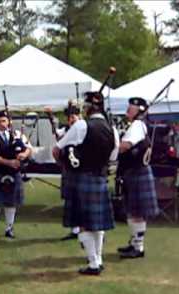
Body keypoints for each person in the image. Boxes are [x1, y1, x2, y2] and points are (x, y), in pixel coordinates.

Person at [52, 92, 119, 275]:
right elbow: (113, 158)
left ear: (88, 107)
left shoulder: (82, 125)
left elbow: (57, 150)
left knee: (83, 223)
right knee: (97, 223)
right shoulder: (112, 130)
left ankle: (93, 264)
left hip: (80, 178)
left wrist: (66, 165)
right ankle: (98, 260)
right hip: (100, 178)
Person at [116, 97, 159, 259]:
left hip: (137, 172)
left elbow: (125, 146)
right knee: (133, 211)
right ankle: (134, 244)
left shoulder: (137, 125)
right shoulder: (138, 125)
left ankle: (138, 247)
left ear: (140, 110)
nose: (128, 109)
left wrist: (111, 147)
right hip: (135, 172)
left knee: (136, 212)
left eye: (131, 107)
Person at [0, 110, 32, 239]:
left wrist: (24, 154)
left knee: (11, 203)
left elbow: (28, 148)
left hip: (14, 173)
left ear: (8, 121)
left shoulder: (17, 134)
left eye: (3, 121)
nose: (1, 124)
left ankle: (9, 229)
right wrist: (9, 162)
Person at [45, 105, 81, 241]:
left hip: (81, 169)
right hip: (68, 169)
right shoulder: (66, 130)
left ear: (79, 117)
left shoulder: (83, 129)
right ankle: (75, 230)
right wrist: (50, 116)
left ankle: (86, 229)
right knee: (71, 200)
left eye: (73, 117)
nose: (71, 120)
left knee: (81, 200)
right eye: (69, 118)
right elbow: (57, 132)